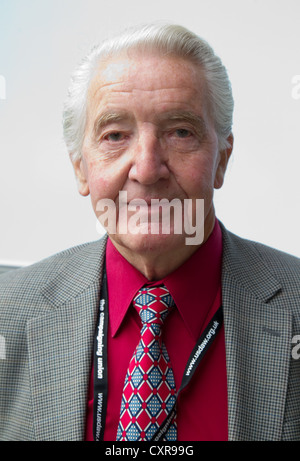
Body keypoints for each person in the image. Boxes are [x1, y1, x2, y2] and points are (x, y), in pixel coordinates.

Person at [0, 23, 299, 442]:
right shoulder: (7, 313)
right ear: (80, 168)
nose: (146, 169)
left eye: (180, 132)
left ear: (222, 160)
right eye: (115, 135)